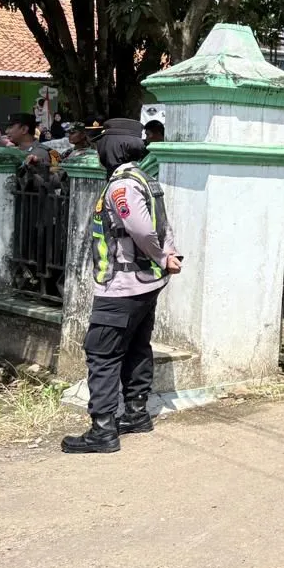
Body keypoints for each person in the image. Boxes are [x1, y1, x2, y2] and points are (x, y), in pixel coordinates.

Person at [61, 119, 181, 454]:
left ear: (112, 146)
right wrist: (167, 256)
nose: (98, 149)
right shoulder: (142, 178)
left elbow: (142, 230)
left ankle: (102, 430)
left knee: (101, 352)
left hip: (122, 286)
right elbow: (162, 226)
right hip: (144, 284)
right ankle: (136, 413)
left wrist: (160, 256)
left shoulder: (121, 186)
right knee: (137, 346)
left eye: (101, 143)